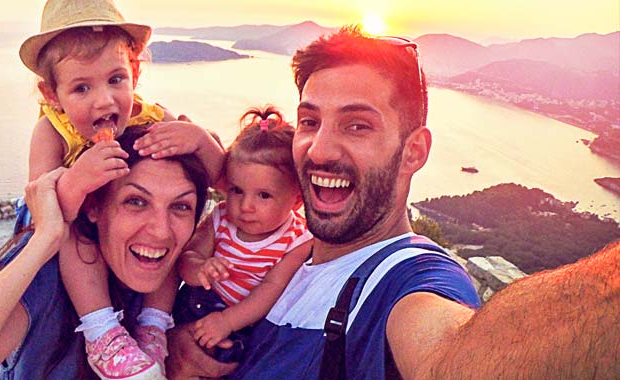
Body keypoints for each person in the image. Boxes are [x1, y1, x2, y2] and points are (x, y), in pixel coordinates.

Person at [167, 25, 620, 380]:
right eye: (309, 120)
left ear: (414, 152)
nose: (319, 149)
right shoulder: (283, 250)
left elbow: (450, 359)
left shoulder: (407, 280)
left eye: (357, 125)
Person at [0, 126, 211, 380]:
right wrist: (45, 237)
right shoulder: (51, 274)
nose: (161, 231)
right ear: (94, 208)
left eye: (181, 206)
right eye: (136, 202)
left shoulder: (183, 268)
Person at [20, 0, 224, 378]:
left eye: (116, 80)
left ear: (134, 72)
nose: (105, 100)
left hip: (120, 226)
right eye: (81, 87)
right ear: (52, 94)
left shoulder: (151, 114)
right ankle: (103, 334)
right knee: (74, 242)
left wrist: (199, 140)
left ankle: (153, 326)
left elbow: (222, 179)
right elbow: (42, 207)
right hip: (70, 219)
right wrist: (77, 181)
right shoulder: (51, 131)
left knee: (164, 233)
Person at [172, 107, 312, 368]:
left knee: (230, 356)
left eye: (263, 195)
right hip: (198, 303)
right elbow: (186, 259)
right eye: (237, 190)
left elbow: (270, 290)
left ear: (296, 199)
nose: (246, 205)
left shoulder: (296, 240)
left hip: (245, 318)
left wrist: (228, 321)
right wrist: (200, 268)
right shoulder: (222, 217)